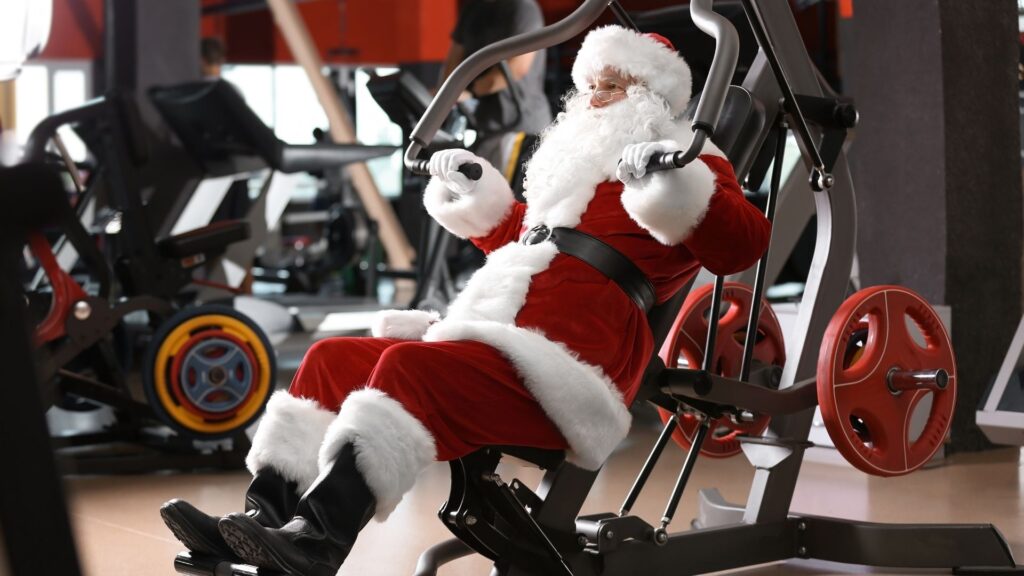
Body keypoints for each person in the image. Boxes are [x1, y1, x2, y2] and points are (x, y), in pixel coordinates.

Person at [159, 25, 771, 576]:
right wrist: (477, 194)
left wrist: (671, 176)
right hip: (492, 335)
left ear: (653, 96)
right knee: (330, 361)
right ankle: (262, 526)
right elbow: (525, 246)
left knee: (407, 368)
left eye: (617, 82)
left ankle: (317, 543)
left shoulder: (691, 162)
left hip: (571, 364)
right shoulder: (577, 175)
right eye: (593, 83)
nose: (599, 94)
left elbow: (741, 244)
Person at [439, 0, 552, 168]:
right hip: (485, 127)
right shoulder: (472, 9)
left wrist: (469, 92)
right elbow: (452, 63)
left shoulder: (523, 8)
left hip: (521, 127)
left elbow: (517, 67)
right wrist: (446, 91)